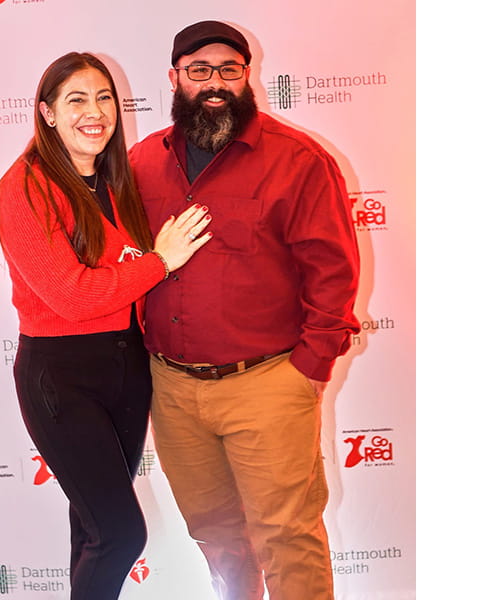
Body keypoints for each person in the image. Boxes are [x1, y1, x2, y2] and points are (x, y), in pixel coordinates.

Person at [128, 21, 361, 600]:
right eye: (199, 70)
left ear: (247, 76)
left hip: (267, 382)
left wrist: (306, 369)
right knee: (216, 536)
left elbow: (333, 274)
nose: (215, 83)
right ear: (174, 78)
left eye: (229, 70)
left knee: (287, 535)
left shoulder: (299, 160)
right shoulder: (140, 163)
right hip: (173, 391)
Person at [0, 51, 212, 600]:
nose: (94, 112)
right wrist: (160, 261)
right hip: (61, 376)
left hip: (126, 366)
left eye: (104, 97)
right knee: (119, 532)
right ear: (46, 113)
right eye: (76, 100)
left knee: (92, 529)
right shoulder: (24, 186)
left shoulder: (119, 180)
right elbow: (70, 296)